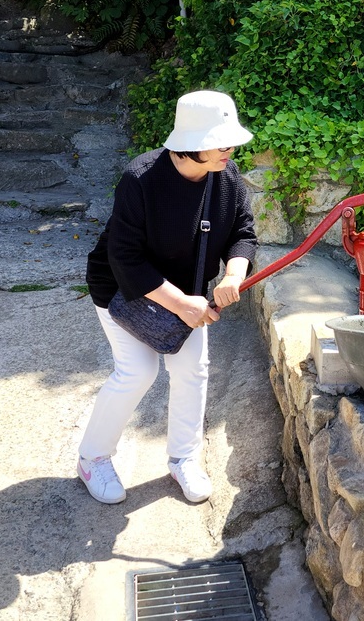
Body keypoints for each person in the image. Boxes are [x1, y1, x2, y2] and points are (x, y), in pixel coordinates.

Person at [79, 90, 257, 505]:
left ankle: (184, 458)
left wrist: (234, 273)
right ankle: (92, 458)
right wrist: (180, 304)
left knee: (192, 369)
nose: (230, 150)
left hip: (188, 288)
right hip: (123, 287)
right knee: (137, 372)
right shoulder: (140, 178)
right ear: (191, 144)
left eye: (230, 142)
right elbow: (124, 257)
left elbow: (243, 233)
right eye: (220, 142)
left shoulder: (226, 175)